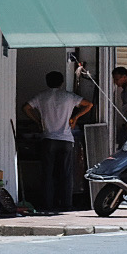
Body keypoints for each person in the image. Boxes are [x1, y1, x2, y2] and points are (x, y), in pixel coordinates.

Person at [24, 72, 91, 212]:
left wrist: (37, 121)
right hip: (66, 140)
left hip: (48, 139)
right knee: (66, 174)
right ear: (61, 83)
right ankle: (66, 204)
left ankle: (48, 204)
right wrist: (75, 117)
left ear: (47, 81)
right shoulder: (68, 96)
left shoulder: (42, 96)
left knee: (48, 174)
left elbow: (26, 107)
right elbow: (88, 104)